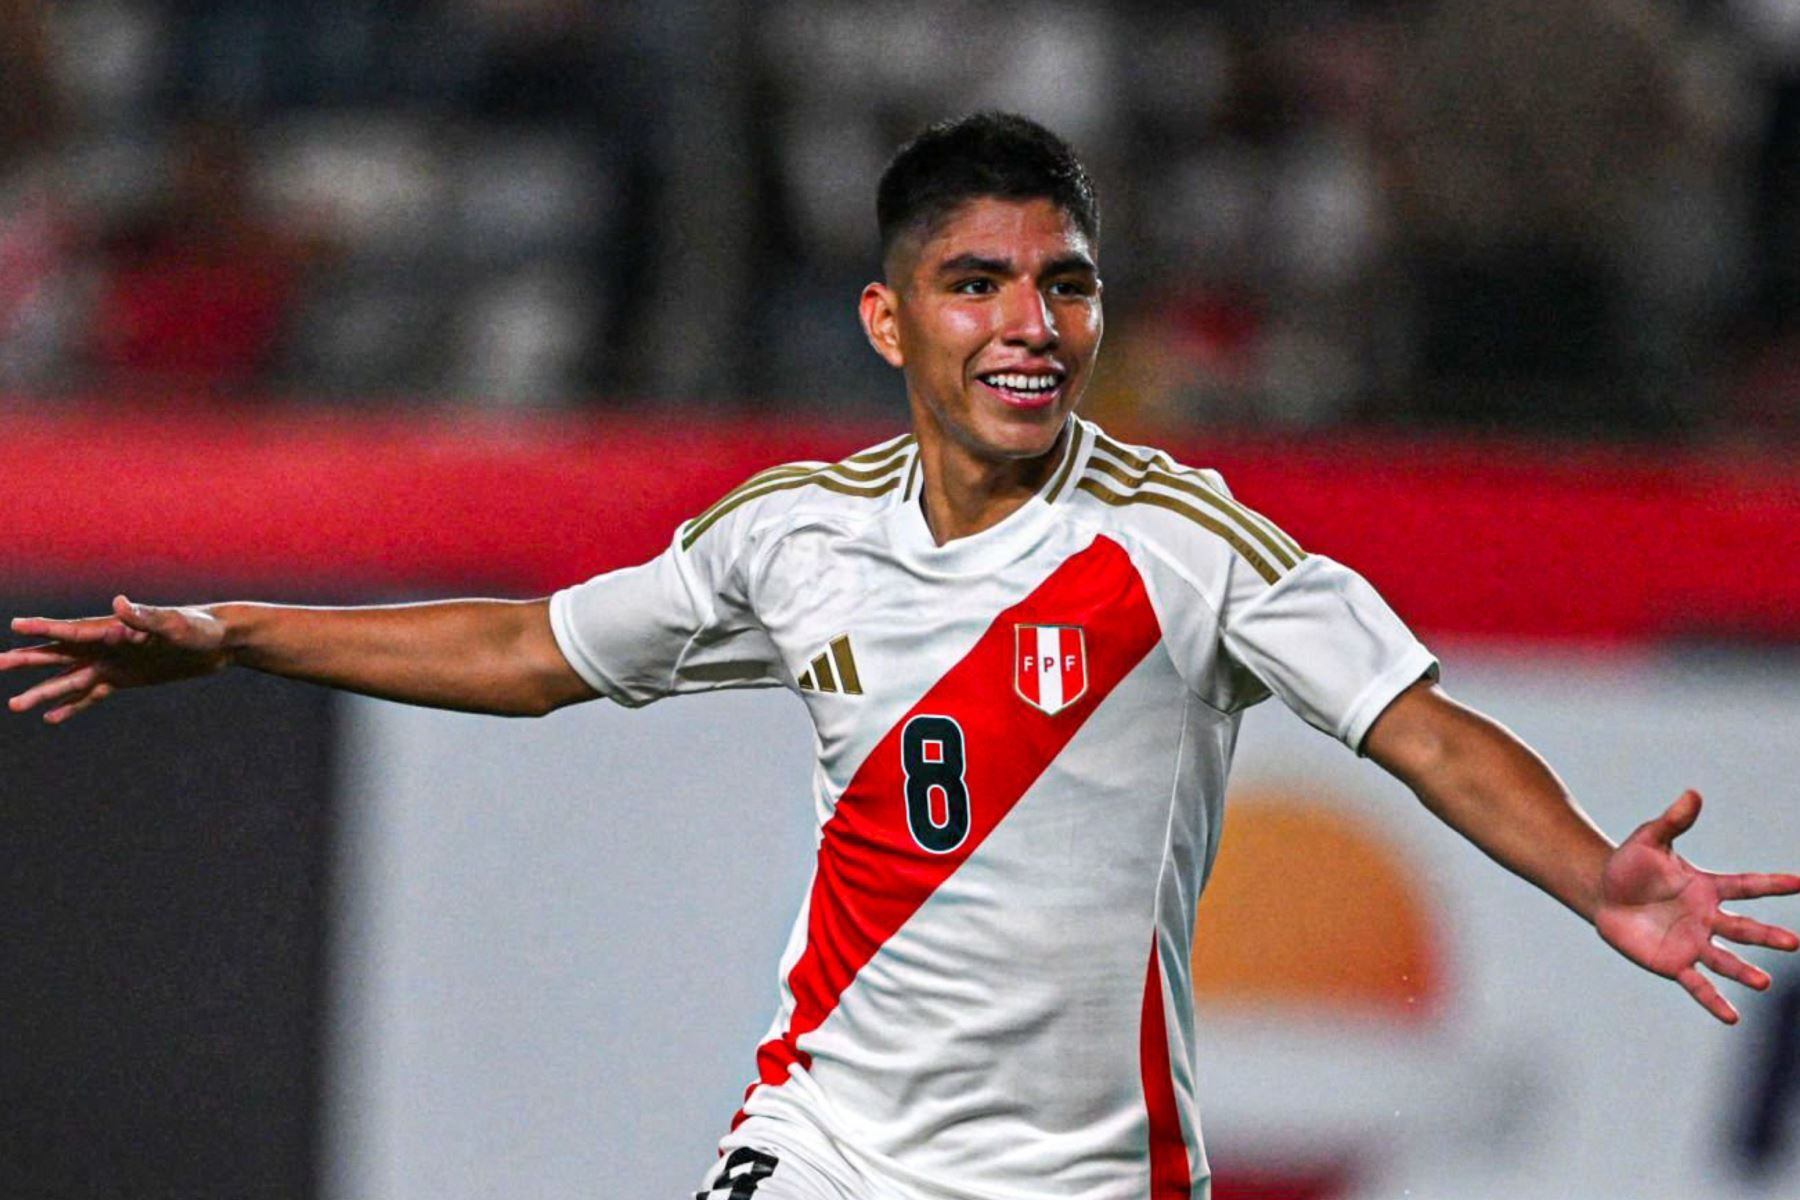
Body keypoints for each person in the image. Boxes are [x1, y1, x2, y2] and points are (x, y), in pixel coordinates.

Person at [4, 113, 1796, 1200]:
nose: (1033, 325)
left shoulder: (1181, 542)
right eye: (980, 283)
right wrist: (240, 635)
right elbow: (530, 646)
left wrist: (1594, 880)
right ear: (888, 317)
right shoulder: (794, 536)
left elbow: (1424, 732)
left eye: (1066, 285)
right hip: (830, 1149)